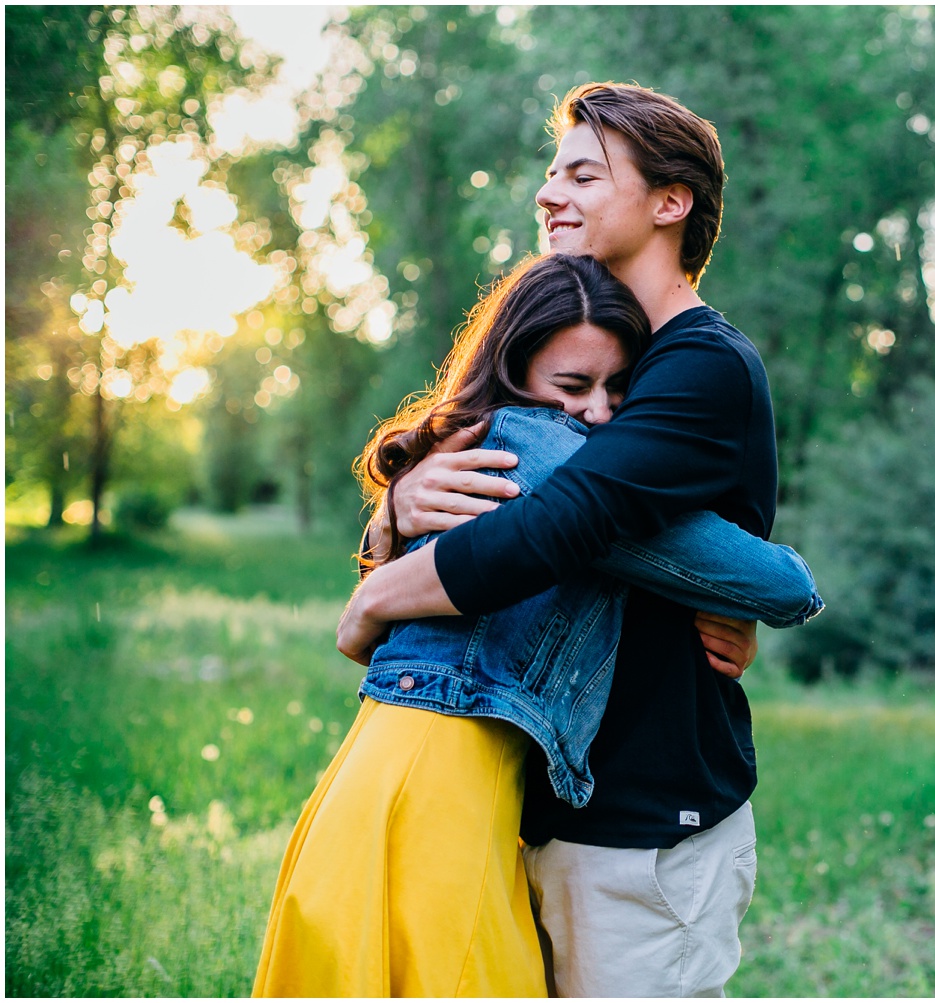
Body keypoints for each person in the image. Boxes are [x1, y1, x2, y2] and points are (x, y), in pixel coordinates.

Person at [254, 254, 820, 997]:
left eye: (619, 385)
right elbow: (783, 585)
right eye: (573, 387)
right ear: (517, 373)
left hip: (403, 772)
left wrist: (380, 555)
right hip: (439, 794)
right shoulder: (546, 452)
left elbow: (365, 639)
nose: (600, 412)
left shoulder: (468, 445)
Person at [337, 82, 786, 997]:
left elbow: (566, 522)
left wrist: (381, 593)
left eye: (584, 173)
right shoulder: (602, 345)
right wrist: (394, 514)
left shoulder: (701, 362)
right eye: (550, 174)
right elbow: (499, 478)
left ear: (670, 203)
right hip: (543, 797)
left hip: (643, 823)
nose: (548, 193)